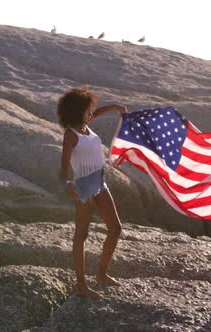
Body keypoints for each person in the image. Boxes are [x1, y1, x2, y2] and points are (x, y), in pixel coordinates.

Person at [58, 86, 127, 300]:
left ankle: (102, 274)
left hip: (99, 181)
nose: (92, 113)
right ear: (78, 111)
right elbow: (63, 169)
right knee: (82, 234)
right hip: (83, 186)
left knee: (115, 228)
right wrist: (68, 185)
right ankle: (81, 285)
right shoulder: (71, 135)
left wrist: (115, 107)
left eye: (92, 110)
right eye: (88, 109)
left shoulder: (86, 126)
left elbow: (96, 114)